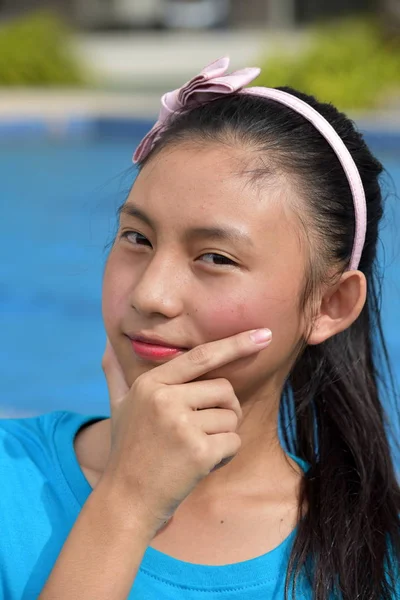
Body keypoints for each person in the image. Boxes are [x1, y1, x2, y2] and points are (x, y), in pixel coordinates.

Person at [1, 57, 399, 600]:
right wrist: (127, 502)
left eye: (215, 257)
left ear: (329, 304)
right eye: (136, 238)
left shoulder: (376, 557)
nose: (150, 295)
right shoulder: (10, 475)